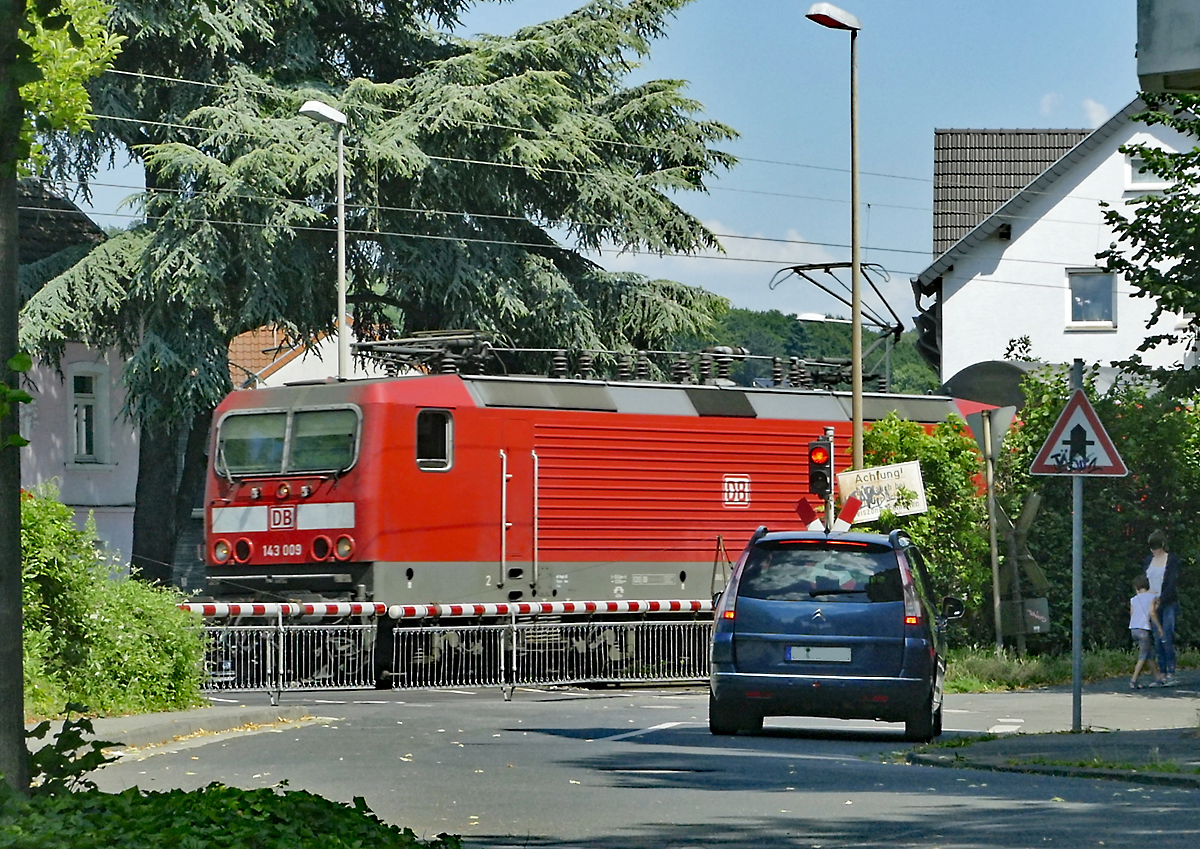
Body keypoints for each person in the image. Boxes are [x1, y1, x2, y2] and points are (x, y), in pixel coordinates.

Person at [1144, 529, 1182, 687]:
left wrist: (1161, 599)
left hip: (1167, 603)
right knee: (1157, 639)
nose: (1155, 550)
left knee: (1166, 635)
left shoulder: (1172, 560)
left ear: (1163, 545)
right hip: (1152, 604)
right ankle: (1161, 674)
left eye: (1157, 546)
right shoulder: (1148, 561)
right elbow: (1145, 582)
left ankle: (1171, 673)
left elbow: (1172, 583)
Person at [1129, 573, 1162, 689]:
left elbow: (1132, 614)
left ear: (1136, 587)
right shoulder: (1151, 597)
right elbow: (1152, 613)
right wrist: (1159, 627)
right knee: (1143, 656)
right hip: (1144, 629)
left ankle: (1158, 678)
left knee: (1149, 653)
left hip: (1133, 628)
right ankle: (1133, 680)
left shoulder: (1133, 599)